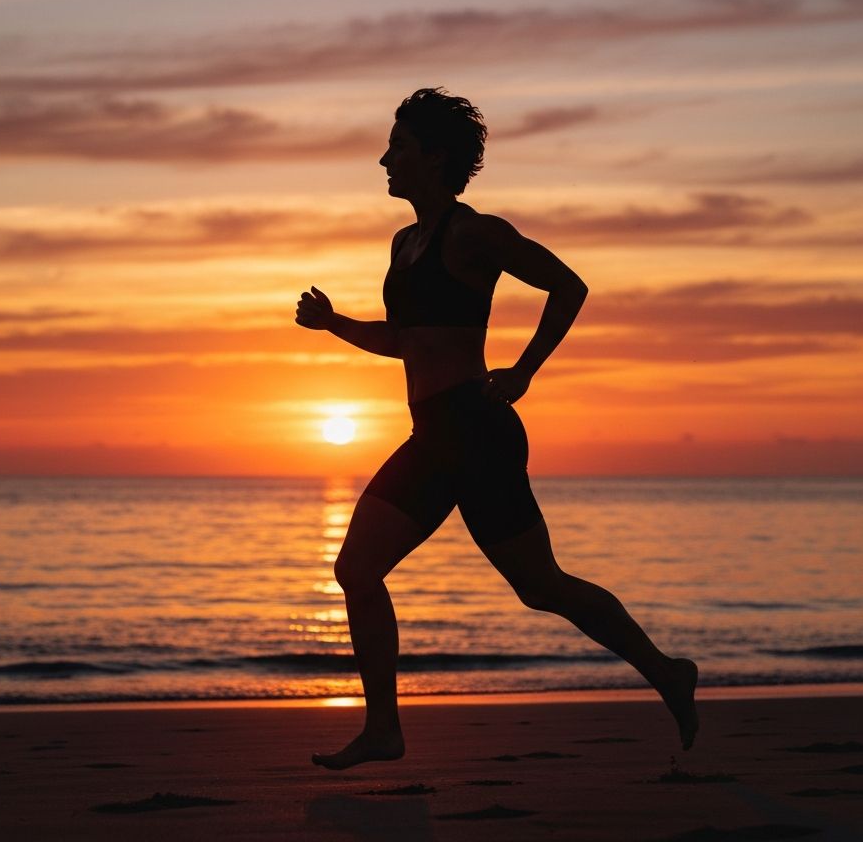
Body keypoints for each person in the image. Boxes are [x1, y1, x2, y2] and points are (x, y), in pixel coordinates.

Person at [295, 87, 698, 770]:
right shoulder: (404, 243)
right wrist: (335, 325)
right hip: (432, 436)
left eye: (397, 146)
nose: (384, 158)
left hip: (476, 431)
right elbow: (408, 340)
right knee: (357, 569)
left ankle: (665, 670)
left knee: (540, 587)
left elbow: (568, 285)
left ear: (434, 156)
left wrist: (524, 370)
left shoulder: (474, 233)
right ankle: (384, 730)